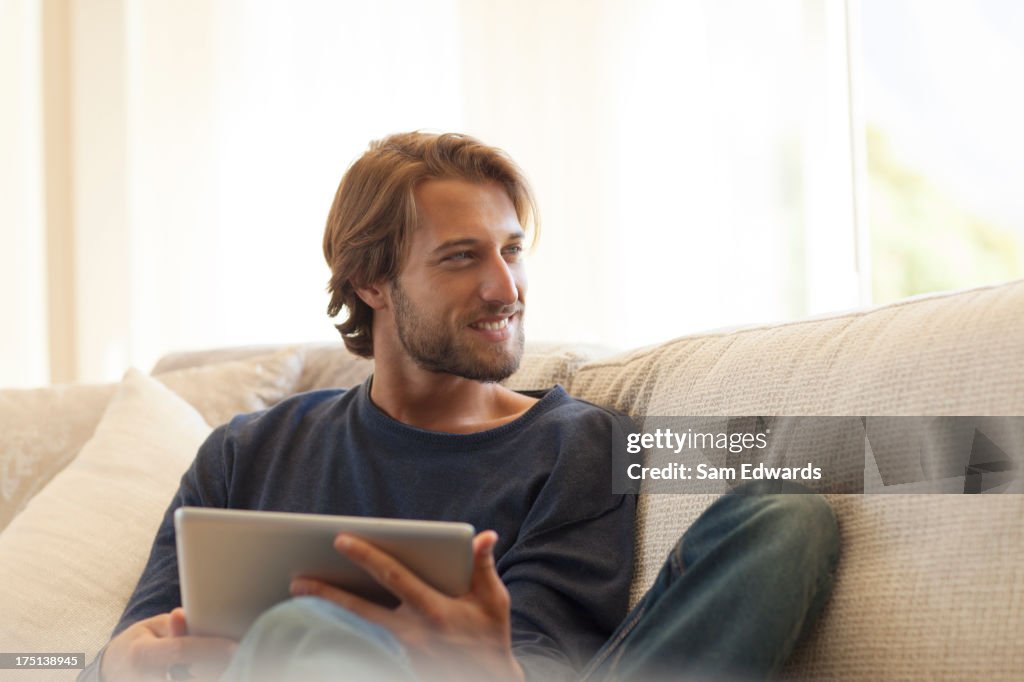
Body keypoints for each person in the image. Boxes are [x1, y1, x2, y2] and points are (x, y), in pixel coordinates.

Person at [79, 132, 839, 682]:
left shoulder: (581, 447)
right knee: (303, 628)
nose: (506, 289)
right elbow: (127, 649)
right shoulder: (245, 452)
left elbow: (548, 657)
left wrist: (483, 667)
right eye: (462, 257)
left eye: (511, 250)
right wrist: (123, 664)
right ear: (372, 282)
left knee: (781, 517)